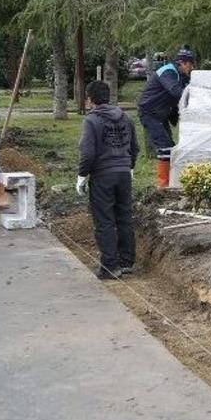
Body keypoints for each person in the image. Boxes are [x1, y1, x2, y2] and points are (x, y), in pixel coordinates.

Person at [76, 80, 140, 279]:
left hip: (103, 175)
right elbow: (134, 147)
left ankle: (110, 267)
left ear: (90, 99)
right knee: (124, 217)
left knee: (104, 220)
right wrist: (129, 166)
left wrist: (82, 175)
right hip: (123, 174)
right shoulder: (125, 118)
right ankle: (126, 261)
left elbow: (87, 153)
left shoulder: (91, 121)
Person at [137, 47, 195, 188]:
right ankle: (163, 186)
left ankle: (169, 183)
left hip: (161, 114)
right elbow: (176, 91)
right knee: (165, 147)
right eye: (191, 65)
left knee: (170, 147)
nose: (192, 68)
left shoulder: (181, 75)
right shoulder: (168, 71)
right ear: (182, 63)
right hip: (150, 112)